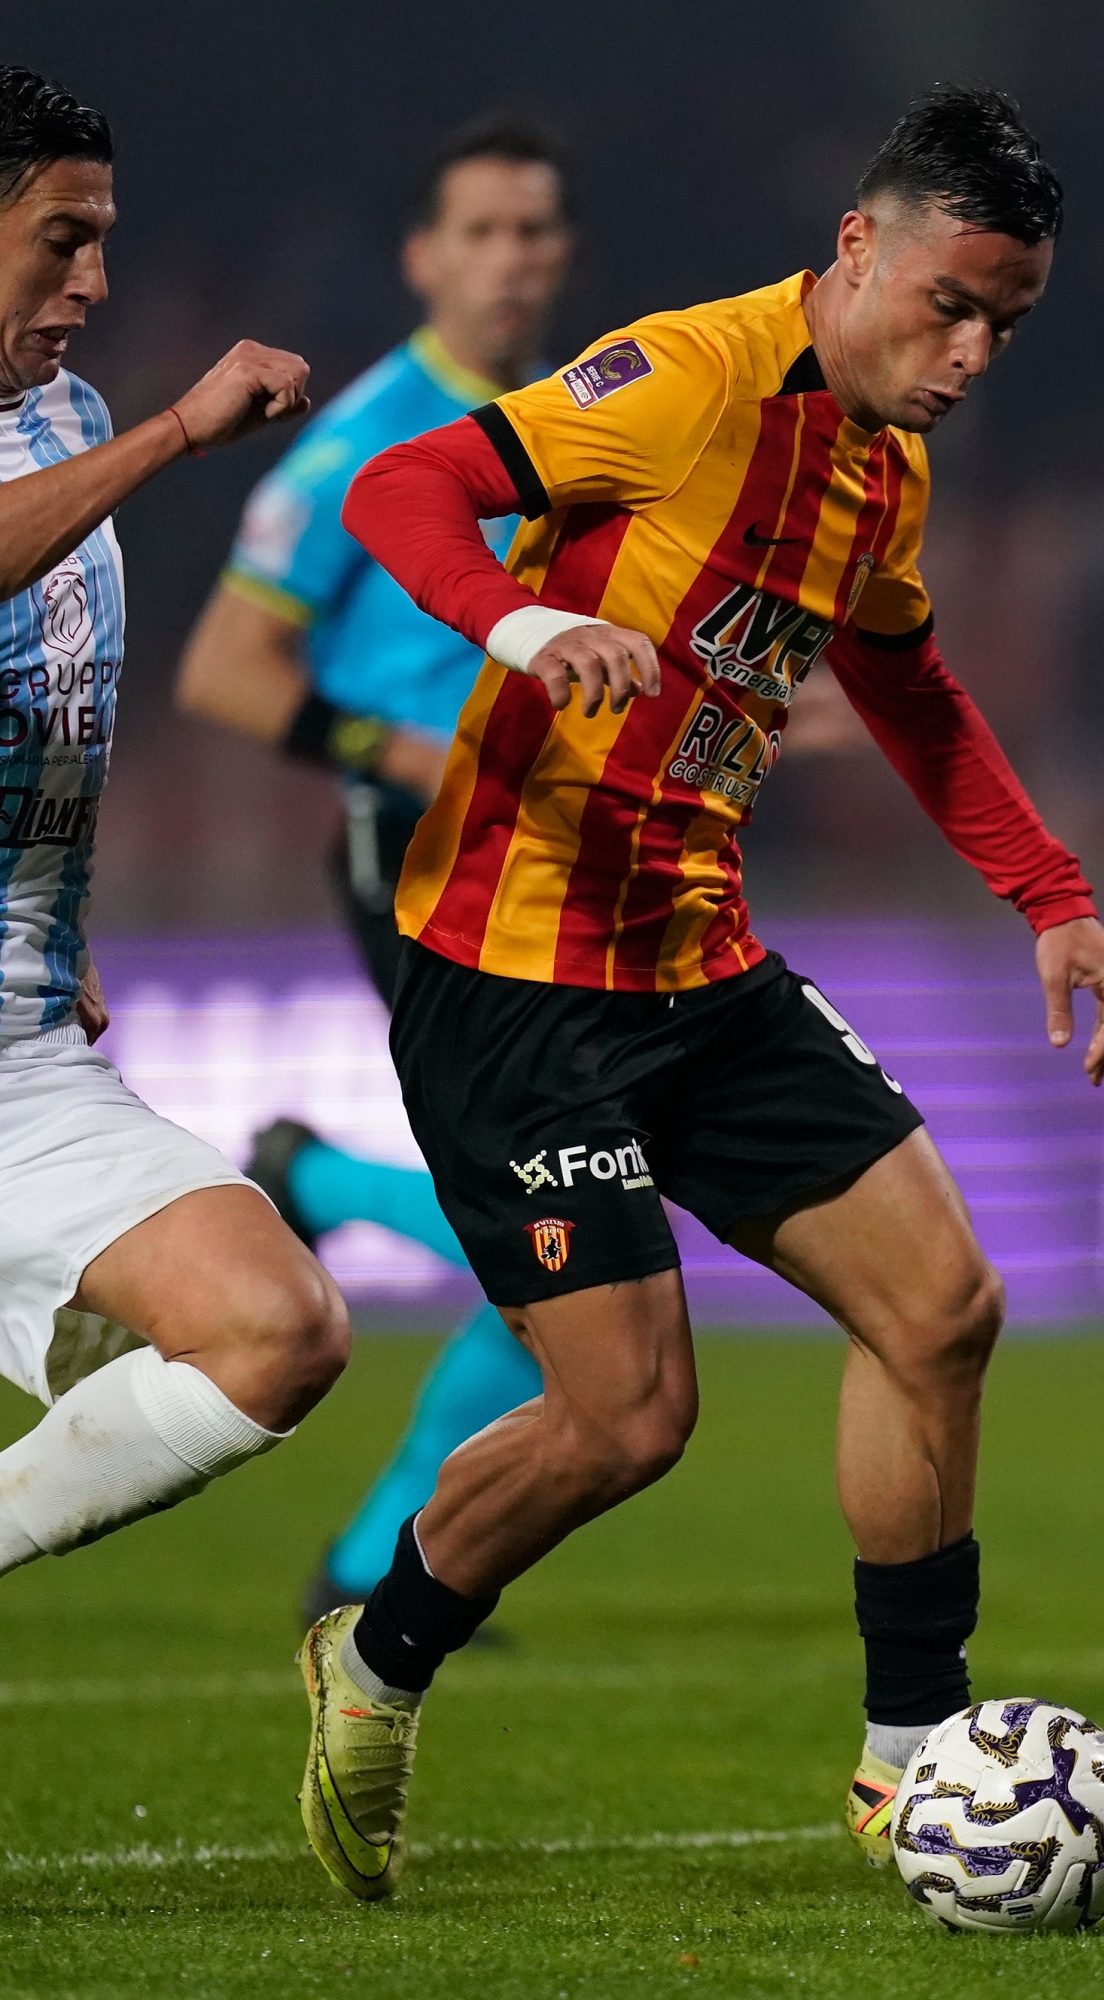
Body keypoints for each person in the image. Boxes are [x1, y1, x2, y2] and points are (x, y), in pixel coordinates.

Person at [297, 86, 1104, 1903]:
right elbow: (402, 483)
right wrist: (520, 626)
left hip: (702, 964)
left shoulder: (882, 463)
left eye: (1008, 322)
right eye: (951, 303)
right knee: (629, 1421)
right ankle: (374, 1658)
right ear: (857, 250)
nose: (974, 350)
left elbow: (907, 687)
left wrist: (1050, 899)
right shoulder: (681, 378)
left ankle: (910, 1763)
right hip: (514, 979)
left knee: (941, 1307)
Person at [175, 118, 574, 1622]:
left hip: (547, 846)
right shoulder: (366, 438)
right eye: (480, 230)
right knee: (559, 1226)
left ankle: (369, 1559)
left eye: (533, 230)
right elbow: (223, 671)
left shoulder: (573, 418)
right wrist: (401, 752)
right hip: (414, 852)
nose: (511, 256)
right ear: (424, 256)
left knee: (568, 1228)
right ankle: (376, 1556)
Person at [0, 67, 350, 1600]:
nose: (93, 280)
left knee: (278, 1324)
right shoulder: (116, 438)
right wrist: (175, 434)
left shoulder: (59, 416)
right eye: (58, 238)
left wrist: (50, 928)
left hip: (17, 1052)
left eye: (104, 240)